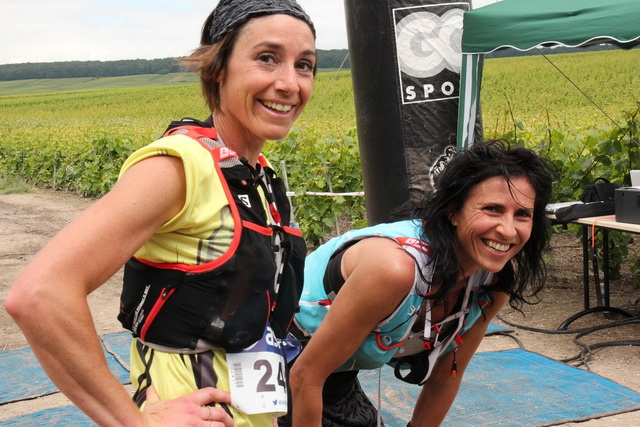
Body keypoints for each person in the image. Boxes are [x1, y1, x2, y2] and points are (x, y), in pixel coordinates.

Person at [5, 0, 316, 425]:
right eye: (267, 58)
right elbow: (40, 295)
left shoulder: (254, 172)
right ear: (218, 68)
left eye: (305, 65)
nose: (289, 83)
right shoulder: (177, 167)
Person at [283, 140, 554, 426]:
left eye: (522, 214)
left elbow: (445, 378)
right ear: (453, 211)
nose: (508, 230)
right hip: (273, 359)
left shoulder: (492, 283)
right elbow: (305, 377)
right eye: (492, 209)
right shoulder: (394, 269)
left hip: (334, 377)